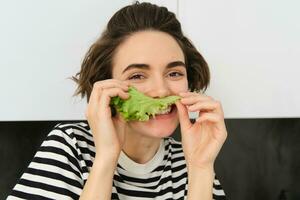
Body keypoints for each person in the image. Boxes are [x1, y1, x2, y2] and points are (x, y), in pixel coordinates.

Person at [7, 2, 227, 200]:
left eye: (174, 73)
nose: (161, 90)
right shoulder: (71, 145)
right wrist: (106, 158)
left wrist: (200, 168)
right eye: (137, 76)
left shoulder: (190, 157)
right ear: (107, 87)